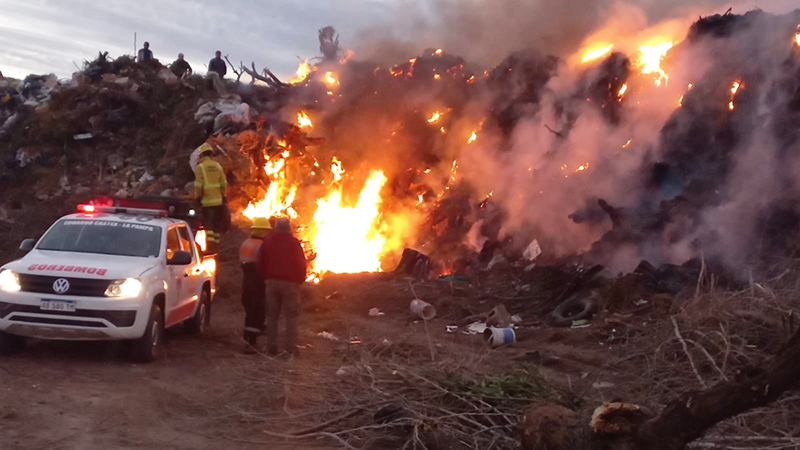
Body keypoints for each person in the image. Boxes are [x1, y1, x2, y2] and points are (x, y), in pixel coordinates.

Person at [256, 218, 307, 357]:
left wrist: (266, 277)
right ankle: (289, 349)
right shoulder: (294, 243)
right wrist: (299, 280)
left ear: (276, 228)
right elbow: (301, 264)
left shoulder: (268, 242)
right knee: (291, 317)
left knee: (272, 317)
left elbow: (259, 262)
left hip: (272, 283)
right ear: (289, 228)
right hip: (290, 284)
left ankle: (272, 348)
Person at [239, 217, 271, 353]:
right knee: (257, 312)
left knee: (249, 312)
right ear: (264, 231)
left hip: (246, 281)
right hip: (257, 282)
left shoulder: (246, 243)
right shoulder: (262, 246)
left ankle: (248, 339)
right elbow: (264, 265)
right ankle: (251, 344)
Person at [194, 143, 227, 252]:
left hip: (207, 203)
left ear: (201, 155)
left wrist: (197, 197)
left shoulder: (200, 167)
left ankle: (210, 249)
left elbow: (199, 185)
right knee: (216, 227)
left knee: (209, 228)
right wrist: (223, 196)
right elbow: (223, 184)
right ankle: (216, 248)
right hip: (218, 202)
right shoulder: (218, 166)